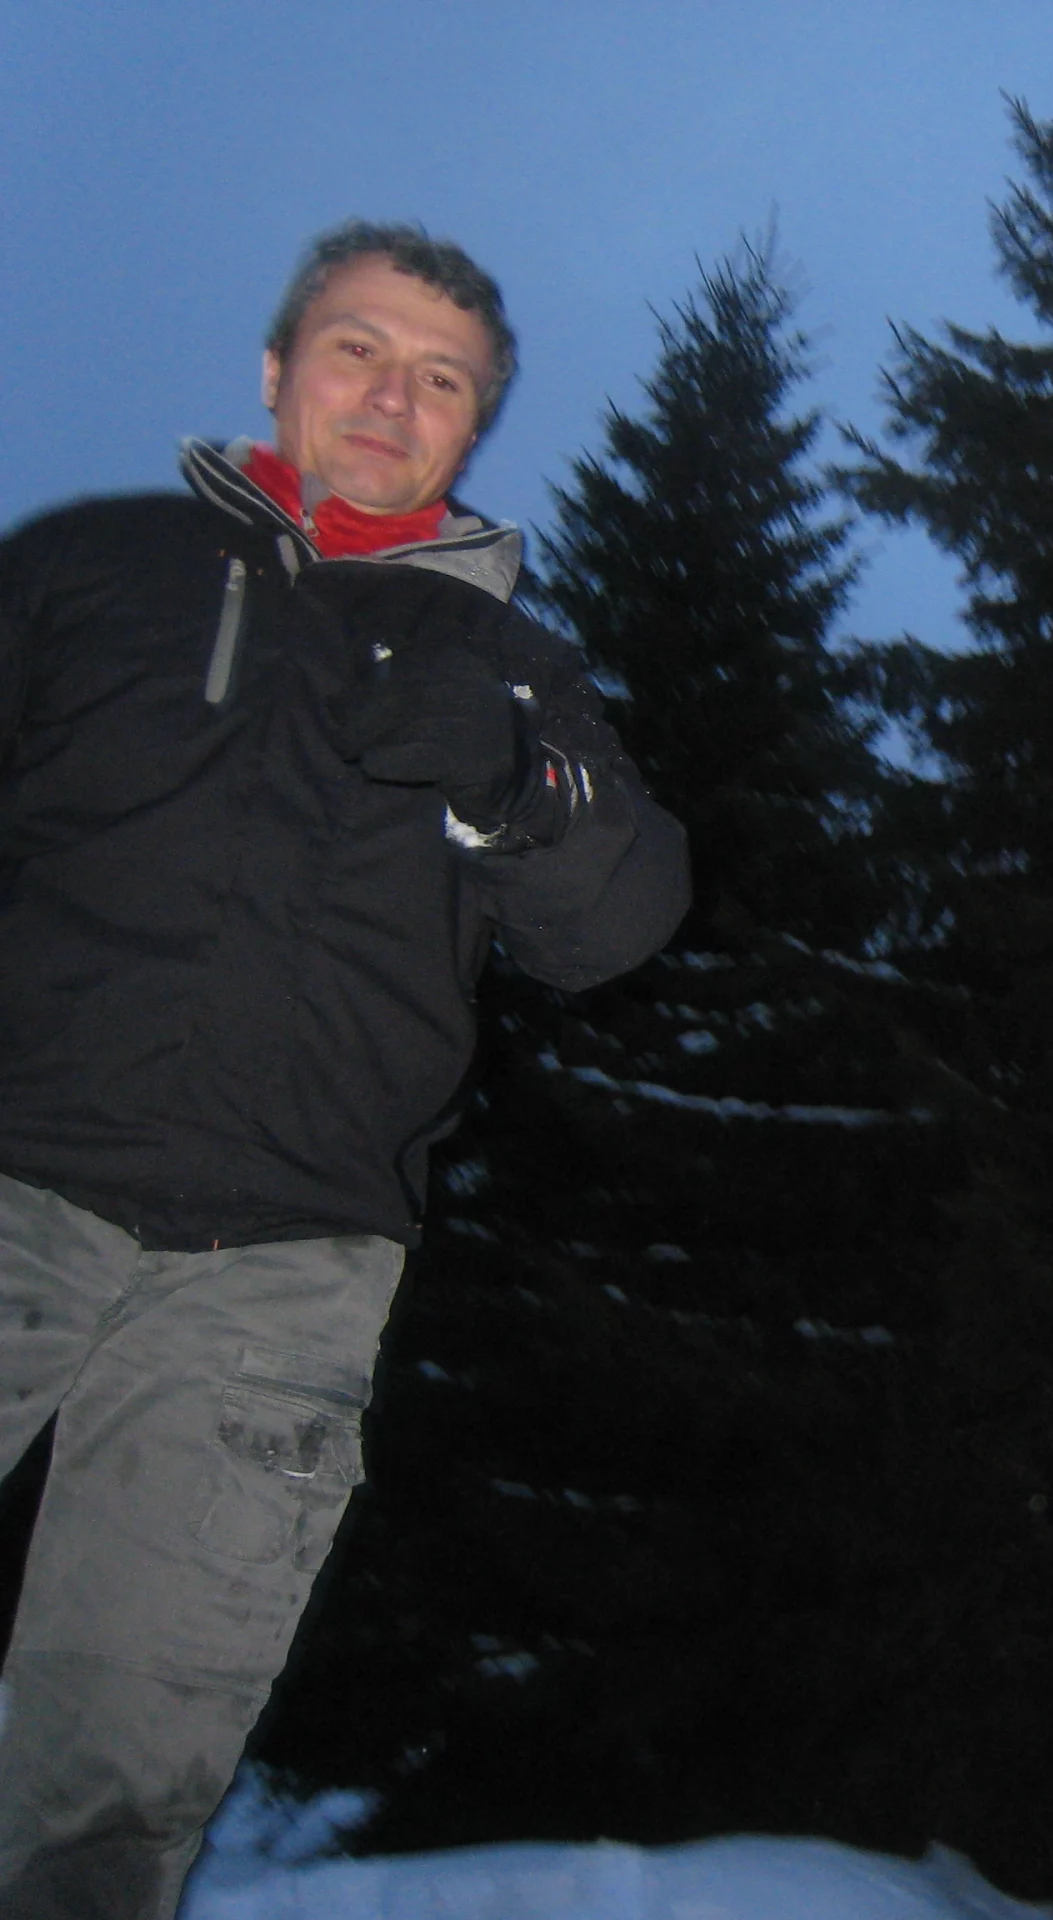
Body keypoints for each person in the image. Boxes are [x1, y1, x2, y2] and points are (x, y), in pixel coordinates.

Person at [0, 221, 688, 1916]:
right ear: (275, 370)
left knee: (113, 1804)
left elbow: (622, 920)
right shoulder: (93, 567)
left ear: (474, 428)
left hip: (283, 1278)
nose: (393, 397)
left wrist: (515, 781)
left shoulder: (512, 663)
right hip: (13, 1183)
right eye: (358, 350)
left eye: (441, 379)